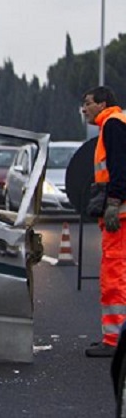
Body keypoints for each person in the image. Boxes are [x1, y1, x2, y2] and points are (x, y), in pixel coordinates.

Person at [80, 86, 126, 358]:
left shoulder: (112, 125)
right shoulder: (118, 122)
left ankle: (115, 339)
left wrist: (113, 202)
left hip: (119, 215)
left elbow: (121, 168)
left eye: (88, 104)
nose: (84, 109)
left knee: (114, 275)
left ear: (103, 103)